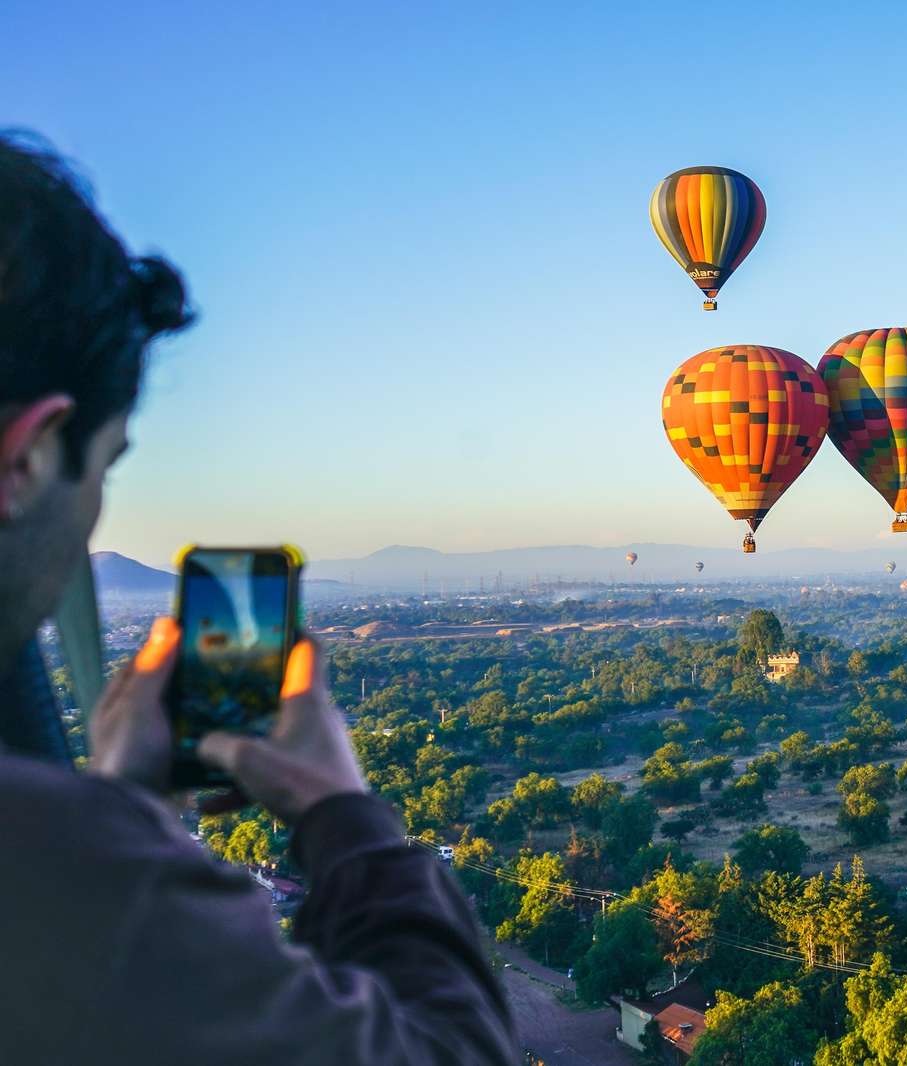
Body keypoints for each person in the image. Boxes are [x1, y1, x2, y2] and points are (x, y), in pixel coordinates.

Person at [0, 132, 518, 1064]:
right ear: (32, 454)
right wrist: (339, 812)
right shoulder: (44, 863)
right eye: (108, 466)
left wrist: (130, 812)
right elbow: (450, 1050)